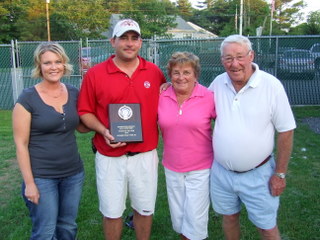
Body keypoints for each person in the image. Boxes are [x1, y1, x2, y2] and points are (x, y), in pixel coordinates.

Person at [77, 19, 166, 240]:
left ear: (140, 42)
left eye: (134, 38)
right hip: (109, 156)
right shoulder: (95, 74)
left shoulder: (154, 72)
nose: (129, 43)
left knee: (145, 209)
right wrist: (104, 130)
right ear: (112, 41)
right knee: (111, 212)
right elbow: (85, 111)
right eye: (123, 38)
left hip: (145, 154)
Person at [208, 34, 296, 240]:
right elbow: (196, 104)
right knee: (229, 218)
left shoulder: (271, 86)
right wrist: (169, 89)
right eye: (228, 58)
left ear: (251, 56)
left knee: (266, 227)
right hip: (221, 173)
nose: (234, 63)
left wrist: (280, 174)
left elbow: (286, 130)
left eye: (239, 56)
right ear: (222, 61)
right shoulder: (218, 83)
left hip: (259, 175)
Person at [12, 42, 89, 240]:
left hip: (73, 174)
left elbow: (82, 126)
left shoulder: (73, 92)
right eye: (47, 63)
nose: (53, 67)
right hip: (42, 177)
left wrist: (108, 122)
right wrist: (29, 183)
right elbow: (20, 144)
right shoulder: (27, 98)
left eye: (57, 62)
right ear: (39, 66)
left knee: (67, 226)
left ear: (64, 64)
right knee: (45, 232)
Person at [158, 52, 216, 240]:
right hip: (172, 166)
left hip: (200, 168)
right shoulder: (161, 96)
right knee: (179, 217)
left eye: (186, 72)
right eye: (176, 72)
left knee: (195, 219)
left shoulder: (208, 97)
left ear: (196, 75)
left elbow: (228, 124)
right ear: (170, 75)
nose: (181, 77)